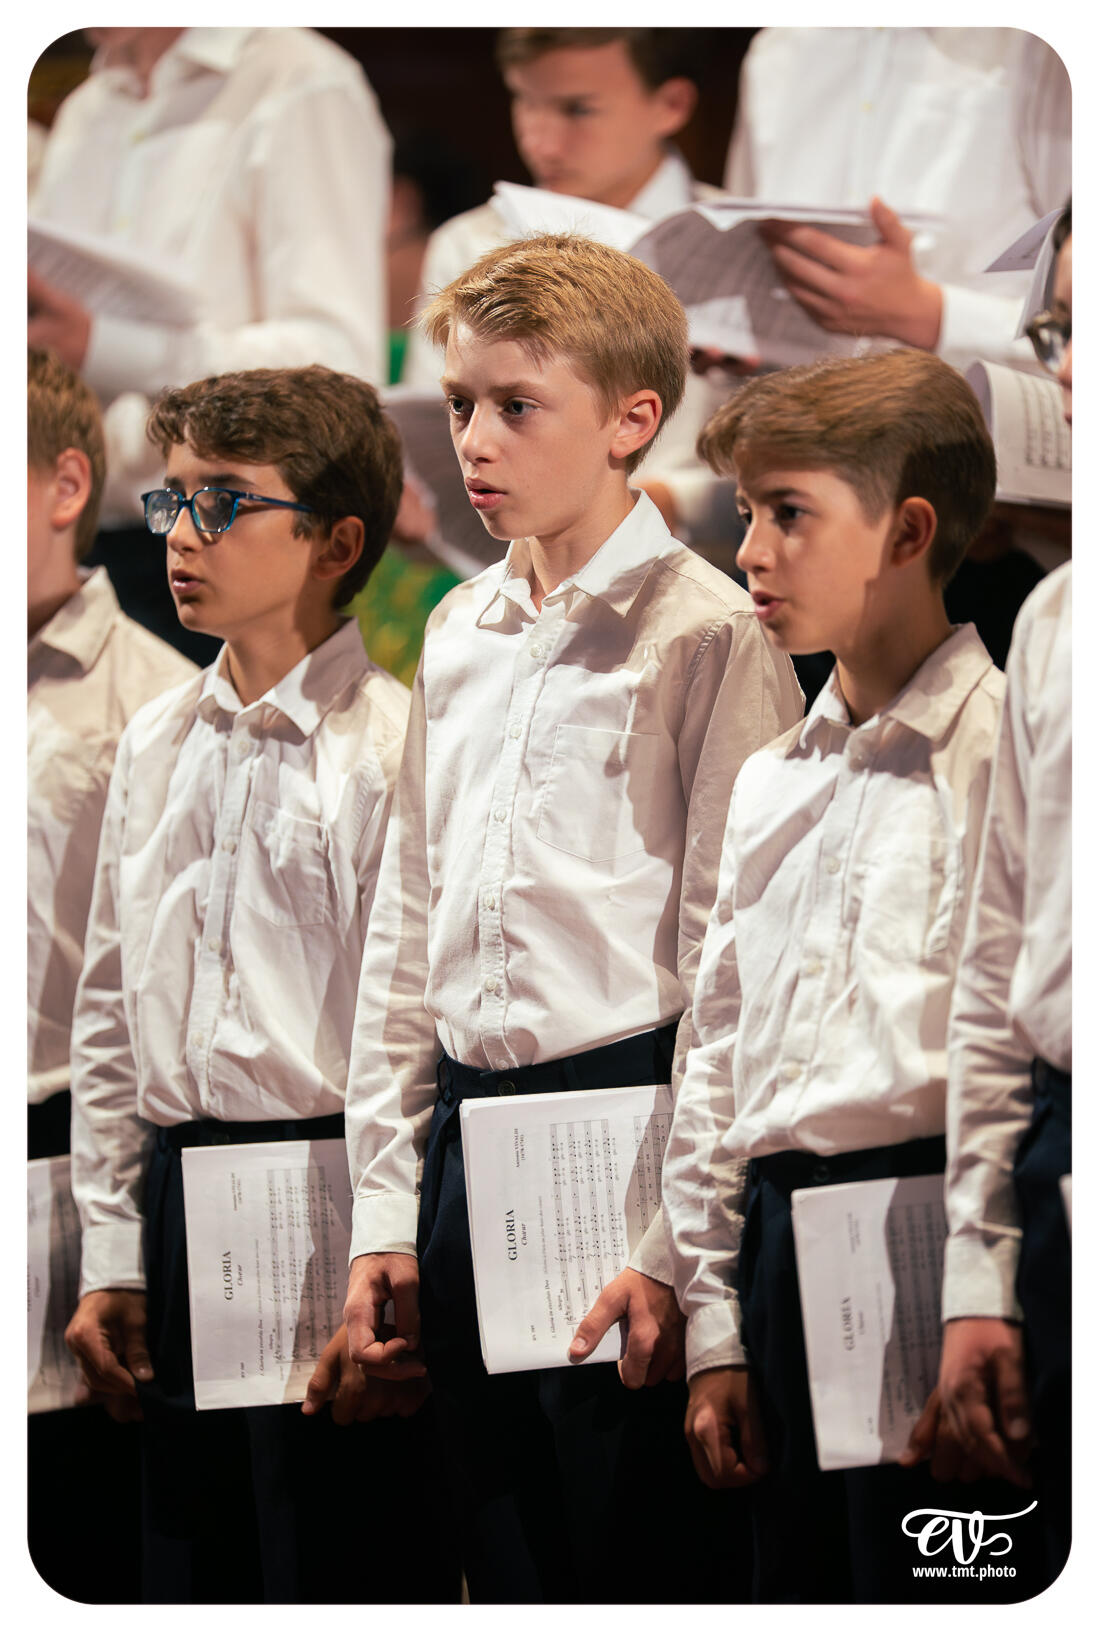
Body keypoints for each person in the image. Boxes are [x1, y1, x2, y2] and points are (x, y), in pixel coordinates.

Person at [342, 232, 803, 1603]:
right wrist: (383, 1210)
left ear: (631, 421)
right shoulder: (457, 628)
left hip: (625, 1132)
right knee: (494, 1549)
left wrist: (677, 1246)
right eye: (462, 405)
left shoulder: (705, 630)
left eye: (515, 407)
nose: (473, 441)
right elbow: (406, 925)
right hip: (464, 1135)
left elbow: (730, 962)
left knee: (627, 1554)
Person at [63, 365, 458, 1605]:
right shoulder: (152, 737)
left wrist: (383, 1255)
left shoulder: (388, 745)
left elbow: (405, 1039)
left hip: (326, 1203)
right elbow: (114, 1014)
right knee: (191, 1571)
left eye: (224, 505)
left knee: (336, 1563)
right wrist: (114, 1252)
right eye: (173, 501)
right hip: (185, 1199)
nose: (179, 536)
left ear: (340, 540)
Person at [662, 349, 1049, 1603]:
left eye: (789, 513)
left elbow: (1002, 1042)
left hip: (940, 1233)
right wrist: (716, 1319)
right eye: (742, 516)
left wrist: (986, 1291)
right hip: (782, 1251)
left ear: (910, 530)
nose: (751, 554)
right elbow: (716, 1053)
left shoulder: (997, 747)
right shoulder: (774, 777)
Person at [29, 26, 392, 659]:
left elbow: (338, 364)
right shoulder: (92, 103)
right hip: (78, 544)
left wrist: (104, 347)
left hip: (226, 541)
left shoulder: (300, 79)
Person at [28, 347, 195, 1602]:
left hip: (59, 1162)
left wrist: (114, 1245)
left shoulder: (153, 703)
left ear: (63, 482)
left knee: (69, 1531)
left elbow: (142, 1007)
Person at [938, 201, 1072, 1589]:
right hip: (1054, 1140)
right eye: (1055, 331)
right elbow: (993, 958)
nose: (1064, 369)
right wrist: (977, 1275)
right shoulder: (1055, 617)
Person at [402, 28, 739, 562]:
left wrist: (670, 502)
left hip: (706, 582)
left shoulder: (740, 244)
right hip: (512, 590)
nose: (541, 142)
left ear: (671, 104)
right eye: (525, 101)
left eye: (577, 110)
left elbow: (787, 460)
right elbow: (433, 454)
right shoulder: (468, 243)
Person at [725, 28, 1071, 373]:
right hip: (793, 410)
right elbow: (742, 239)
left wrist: (934, 315)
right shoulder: (778, 50)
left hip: (970, 416)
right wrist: (730, 336)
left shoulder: (1038, 49)